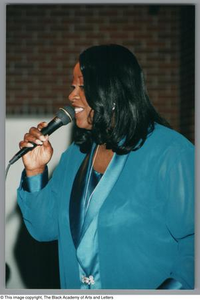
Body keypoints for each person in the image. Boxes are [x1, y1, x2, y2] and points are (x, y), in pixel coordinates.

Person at [17, 44, 194, 290]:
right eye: (72, 86)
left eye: (82, 85)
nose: (71, 96)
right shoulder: (75, 156)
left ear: (111, 88)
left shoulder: (171, 153)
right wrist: (35, 172)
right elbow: (44, 228)